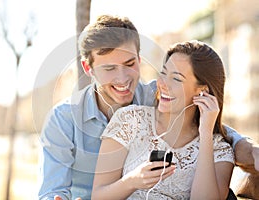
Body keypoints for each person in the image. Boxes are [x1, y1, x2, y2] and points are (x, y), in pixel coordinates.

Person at [38, 15, 258, 200]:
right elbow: (53, 190)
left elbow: (216, 129)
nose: (123, 78)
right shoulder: (62, 119)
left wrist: (251, 150)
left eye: (130, 64)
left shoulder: (161, 94)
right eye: (109, 68)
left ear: (139, 59)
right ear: (88, 68)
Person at [92, 40, 236, 199]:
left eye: (176, 79)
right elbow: (98, 196)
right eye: (163, 73)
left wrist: (205, 133)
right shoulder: (129, 120)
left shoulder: (219, 149)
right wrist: (133, 181)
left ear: (202, 91)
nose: (162, 84)